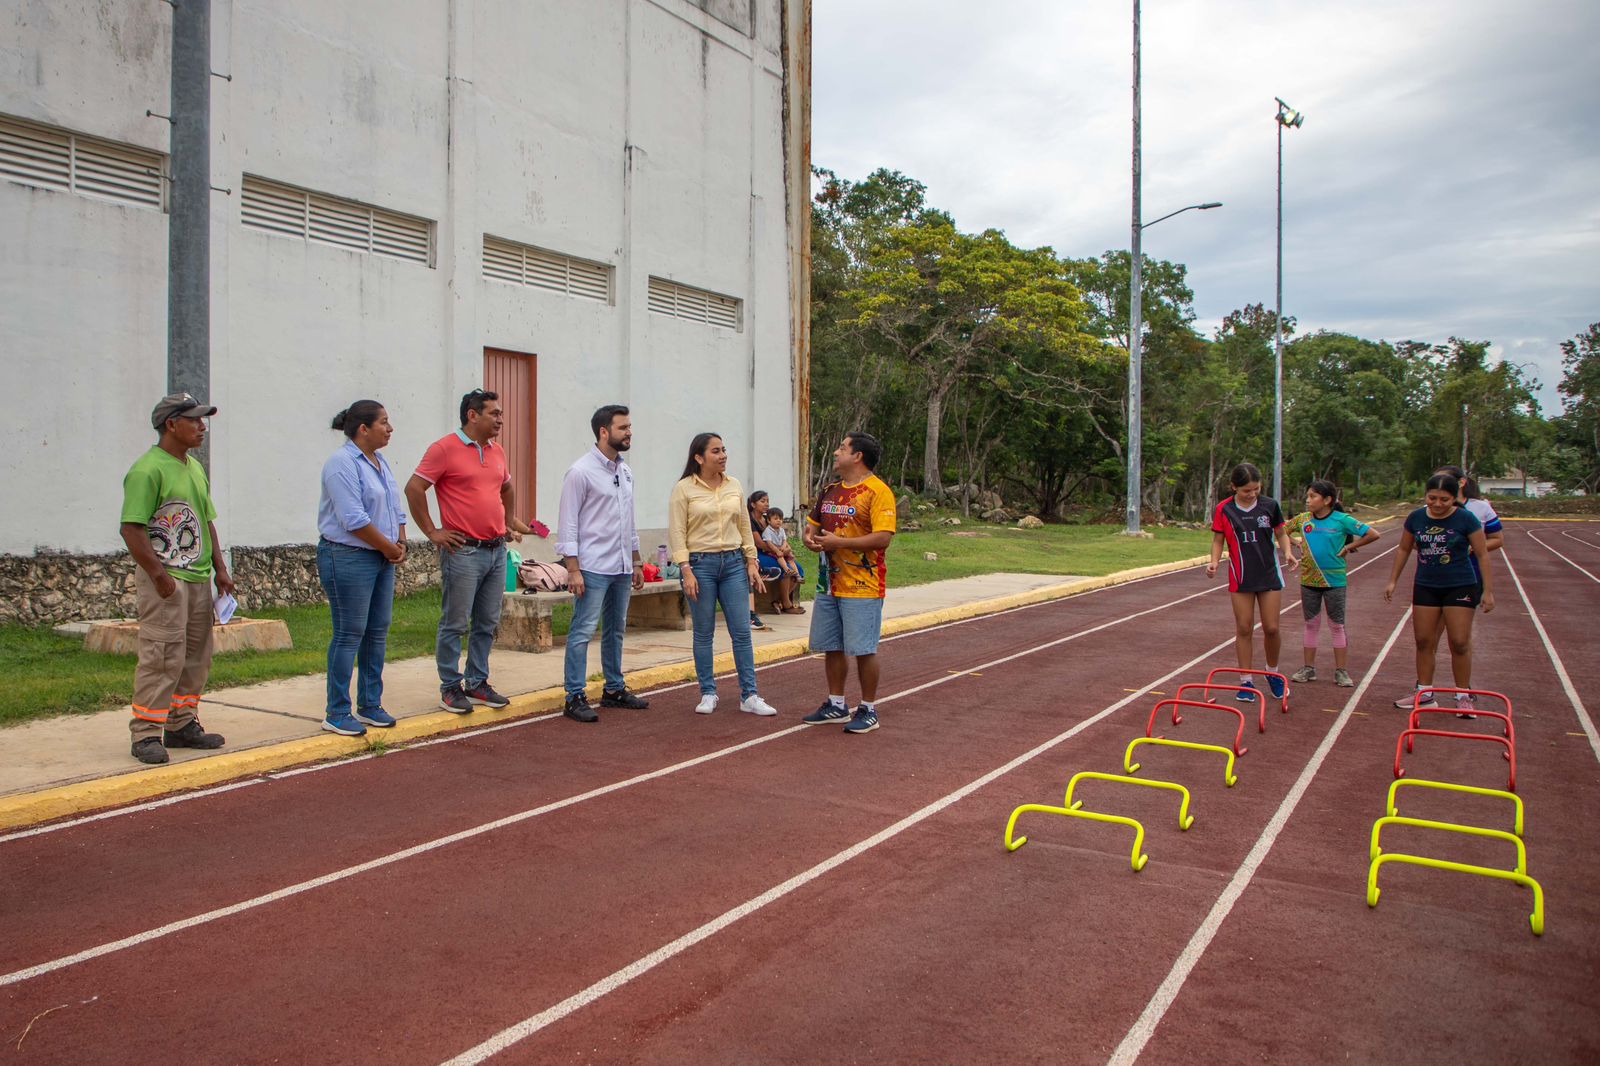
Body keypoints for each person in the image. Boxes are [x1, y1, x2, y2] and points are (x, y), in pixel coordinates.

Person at [120, 392, 234, 764]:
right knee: (162, 653)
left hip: (198, 576)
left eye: (203, 420)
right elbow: (131, 529)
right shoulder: (148, 469)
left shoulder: (193, 467)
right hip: (168, 577)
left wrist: (220, 569)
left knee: (195, 655)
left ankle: (181, 721)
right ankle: (147, 732)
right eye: (195, 420)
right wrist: (158, 575)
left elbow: (207, 522)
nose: (202, 428)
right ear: (172, 424)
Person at [405, 389, 535, 715]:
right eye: (494, 414)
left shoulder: (497, 451)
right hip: (463, 553)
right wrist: (433, 532)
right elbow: (414, 487)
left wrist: (508, 522)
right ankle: (450, 687)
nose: (500, 420)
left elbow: (506, 486)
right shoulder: (444, 449)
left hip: (495, 551)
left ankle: (477, 682)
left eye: (501, 414)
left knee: (487, 622)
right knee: (455, 623)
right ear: (472, 415)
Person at [669, 434, 777, 716]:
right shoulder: (684, 489)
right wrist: (686, 569)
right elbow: (677, 532)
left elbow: (744, 525)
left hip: (732, 565)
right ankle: (708, 692)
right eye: (716, 451)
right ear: (699, 457)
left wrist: (751, 562)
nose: (723, 455)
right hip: (699, 566)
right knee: (703, 633)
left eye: (724, 449)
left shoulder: (735, 486)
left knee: (741, 632)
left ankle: (750, 695)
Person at [554, 405, 650, 723]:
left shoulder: (626, 471)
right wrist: (573, 568)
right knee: (582, 630)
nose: (630, 432)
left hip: (621, 566)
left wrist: (636, 562)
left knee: (616, 630)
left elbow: (629, 521)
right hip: (592, 567)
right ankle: (575, 696)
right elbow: (568, 524)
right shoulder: (580, 472)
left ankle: (614, 689)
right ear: (604, 432)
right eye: (623, 428)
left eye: (630, 427)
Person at [317, 400, 407, 736]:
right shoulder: (341, 464)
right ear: (363, 429)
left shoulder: (379, 463)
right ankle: (337, 711)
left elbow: (395, 508)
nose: (390, 428)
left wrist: (400, 542)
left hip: (382, 557)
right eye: (384, 422)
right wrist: (388, 547)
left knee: (377, 632)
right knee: (348, 633)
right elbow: (353, 519)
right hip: (348, 556)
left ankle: (370, 704)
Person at [800, 432, 896, 734]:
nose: (835, 452)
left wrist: (838, 542)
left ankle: (868, 709)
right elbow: (812, 528)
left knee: (864, 649)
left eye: (842, 448)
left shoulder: (877, 491)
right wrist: (810, 540)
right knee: (832, 646)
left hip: (863, 585)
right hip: (828, 584)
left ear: (858, 457)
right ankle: (836, 704)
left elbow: (883, 538)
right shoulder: (829, 490)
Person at [1386, 472, 1495, 715]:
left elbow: (1482, 553)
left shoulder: (1466, 519)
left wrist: (1488, 590)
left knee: (1459, 642)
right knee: (1424, 640)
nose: (1437, 504)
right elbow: (1404, 549)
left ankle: (1463, 695)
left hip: (1460, 584)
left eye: (1444, 500)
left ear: (1454, 497)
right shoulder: (1415, 518)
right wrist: (1393, 581)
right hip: (1426, 585)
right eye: (1432, 498)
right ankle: (1425, 693)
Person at [1206, 462, 1297, 704]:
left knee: (1272, 628)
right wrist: (1214, 561)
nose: (1252, 494)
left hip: (1268, 574)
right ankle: (1246, 681)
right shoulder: (1224, 509)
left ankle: (1272, 672)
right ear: (1233, 487)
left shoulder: (1270, 506)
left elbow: (1280, 532)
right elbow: (1218, 540)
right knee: (1244, 628)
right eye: (1247, 490)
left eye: (1256, 489)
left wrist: (1287, 552)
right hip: (1241, 575)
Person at [1286, 479, 1380, 688]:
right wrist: (1294, 543)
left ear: (1327, 500)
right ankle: (1308, 668)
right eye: (1308, 496)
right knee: (1311, 624)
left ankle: (1341, 671)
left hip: (1335, 580)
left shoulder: (1341, 520)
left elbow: (1373, 534)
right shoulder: (1303, 520)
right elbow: (1281, 530)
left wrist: (1350, 547)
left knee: (1336, 625)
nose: (1308, 500)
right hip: (1309, 580)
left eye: (1313, 496)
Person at [749, 489, 804, 615]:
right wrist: (780, 551)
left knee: (798, 570)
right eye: (762, 501)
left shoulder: (768, 518)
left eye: (767, 501)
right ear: (753, 504)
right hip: (759, 553)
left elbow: (782, 536)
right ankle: (786, 604)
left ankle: (777, 601)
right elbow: (759, 543)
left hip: (777, 552)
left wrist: (787, 550)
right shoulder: (750, 520)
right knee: (785, 569)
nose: (767, 504)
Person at [763, 507, 806, 614]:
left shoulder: (781, 530)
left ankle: (796, 575)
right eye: (776, 518)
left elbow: (784, 541)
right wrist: (777, 551)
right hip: (773, 552)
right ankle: (787, 569)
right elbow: (769, 543)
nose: (779, 521)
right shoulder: (767, 531)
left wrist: (784, 548)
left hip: (782, 550)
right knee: (781, 559)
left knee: (791, 558)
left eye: (780, 519)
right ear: (769, 520)